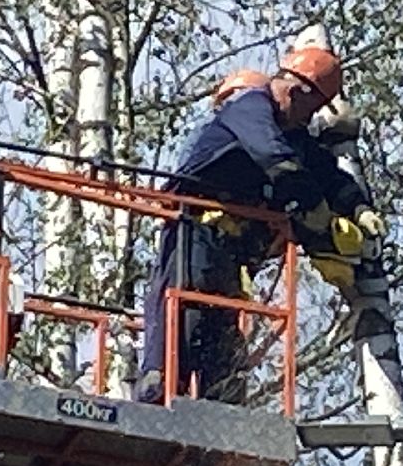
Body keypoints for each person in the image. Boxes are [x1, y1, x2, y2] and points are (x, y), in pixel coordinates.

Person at [136, 45, 384, 404]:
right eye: (310, 108)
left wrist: (358, 207)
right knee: (185, 313)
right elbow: (274, 158)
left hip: (232, 249)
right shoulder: (250, 107)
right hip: (195, 229)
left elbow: (325, 173)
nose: (308, 118)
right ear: (296, 91)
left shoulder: (292, 132)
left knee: (223, 328)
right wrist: (313, 209)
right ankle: (159, 389)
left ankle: (218, 402)